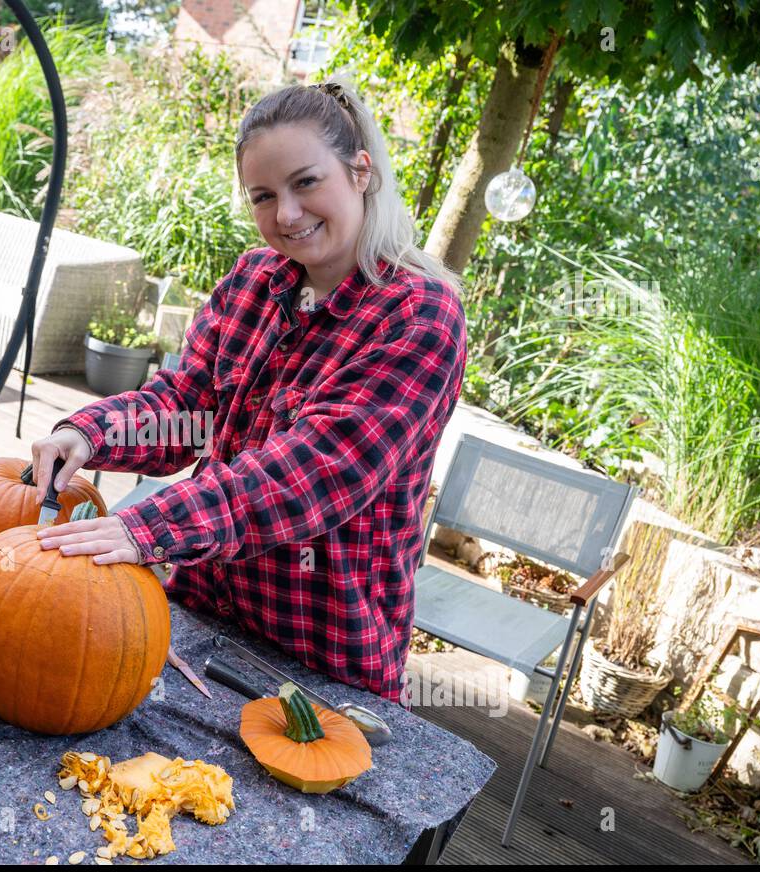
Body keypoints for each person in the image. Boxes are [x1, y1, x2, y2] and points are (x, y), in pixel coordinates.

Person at [30, 77, 466, 704]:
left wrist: (146, 526)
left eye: (305, 182)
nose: (285, 214)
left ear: (361, 171)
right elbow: (186, 406)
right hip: (201, 615)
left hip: (323, 660)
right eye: (264, 195)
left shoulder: (420, 316)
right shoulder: (256, 280)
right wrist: (88, 433)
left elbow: (313, 474)